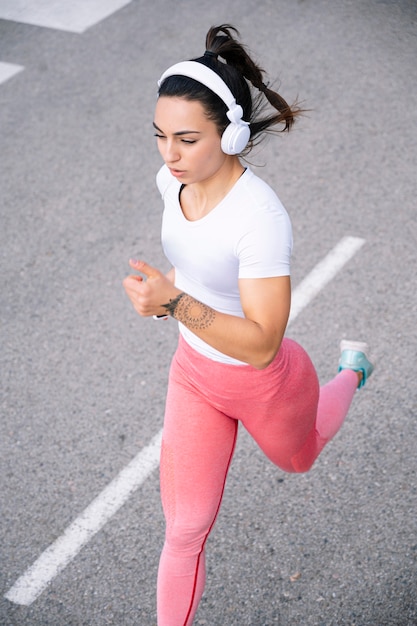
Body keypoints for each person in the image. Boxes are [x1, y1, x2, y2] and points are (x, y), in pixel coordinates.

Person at [123, 24, 374, 626]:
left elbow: (262, 345)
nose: (169, 154)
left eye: (186, 139)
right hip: (194, 376)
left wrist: (173, 303)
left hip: (265, 383)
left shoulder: (261, 219)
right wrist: (162, 301)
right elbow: (191, 273)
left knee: (301, 458)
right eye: (160, 137)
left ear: (230, 135)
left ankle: (350, 374)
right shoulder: (171, 182)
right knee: (185, 528)